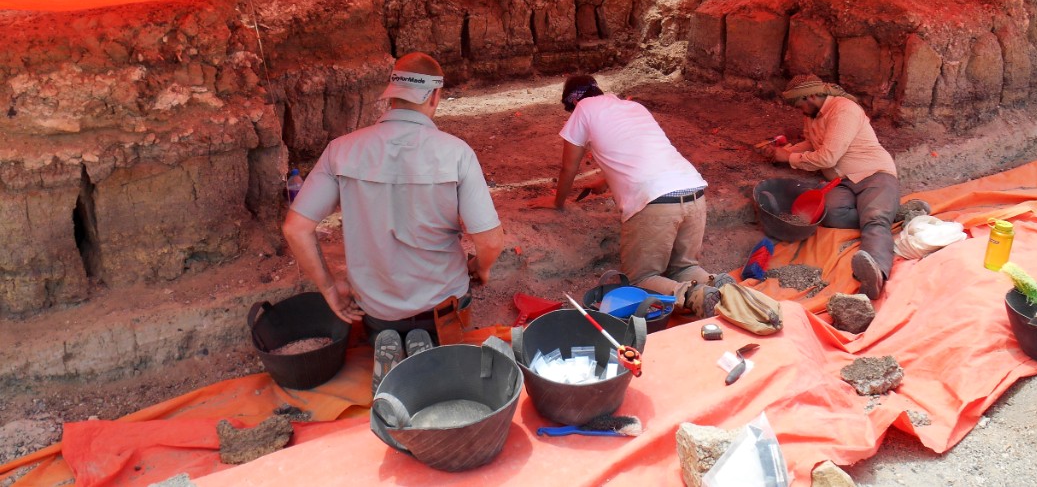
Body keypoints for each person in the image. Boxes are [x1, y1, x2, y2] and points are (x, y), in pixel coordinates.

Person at [282, 52, 505, 393]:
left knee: (384, 320)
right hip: (441, 305)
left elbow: (296, 228)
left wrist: (330, 288)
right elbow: (489, 241)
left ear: (392, 94)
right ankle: (425, 345)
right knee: (446, 311)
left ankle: (386, 339)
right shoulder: (456, 152)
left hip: (375, 307)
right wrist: (482, 268)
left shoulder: (341, 150)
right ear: (434, 96)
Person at [529, 75, 722, 319]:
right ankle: (718, 283)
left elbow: (569, 168)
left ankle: (694, 297)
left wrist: (557, 202)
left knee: (639, 280)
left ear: (573, 101)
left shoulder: (583, 109)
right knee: (684, 267)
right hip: (693, 191)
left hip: (655, 203)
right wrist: (604, 181)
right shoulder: (633, 107)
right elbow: (643, 152)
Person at [758, 74, 903, 299]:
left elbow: (827, 158)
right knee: (831, 214)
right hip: (841, 182)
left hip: (874, 174)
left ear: (812, 96)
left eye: (800, 105)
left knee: (874, 219)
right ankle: (889, 213)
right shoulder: (813, 114)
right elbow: (812, 143)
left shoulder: (844, 110)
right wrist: (786, 152)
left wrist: (788, 159)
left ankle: (876, 274)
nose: (800, 111)